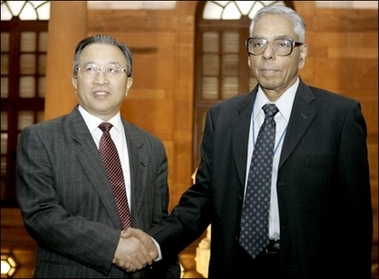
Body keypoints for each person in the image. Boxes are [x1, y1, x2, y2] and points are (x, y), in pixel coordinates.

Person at [119, 5, 374, 278]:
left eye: (282, 44)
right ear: (249, 56)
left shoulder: (339, 117)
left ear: (302, 55)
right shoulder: (222, 118)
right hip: (235, 267)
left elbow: (356, 223)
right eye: (258, 43)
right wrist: (156, 241)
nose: (268, 53)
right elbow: (203, 197)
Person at [16, 34, 180, 278]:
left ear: (128, 83)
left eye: (113, 70)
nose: (101, 79)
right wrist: (113, 246)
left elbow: (159, 226)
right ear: (74, 79)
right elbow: (41, 215)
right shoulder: (41, 139)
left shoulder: (152, 147)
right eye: (90, 69)